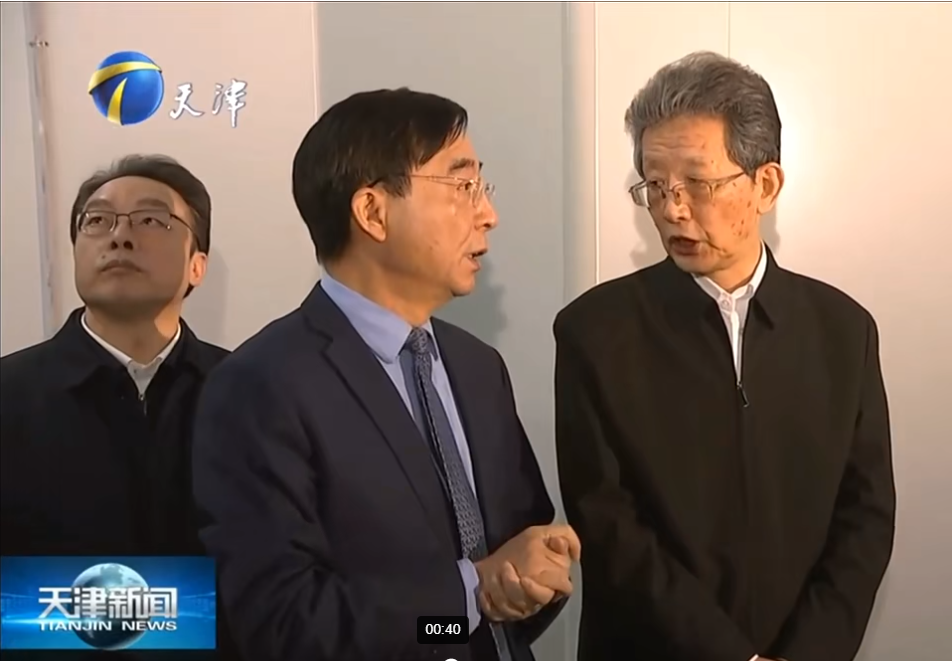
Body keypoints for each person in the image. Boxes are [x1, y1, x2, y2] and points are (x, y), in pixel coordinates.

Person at [191, 88, 578, 661]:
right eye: (462, 187)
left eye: (482, 189)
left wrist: (530, 576)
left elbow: (510, 576)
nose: (488, 215)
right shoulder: (260, 386)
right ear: (373, 212)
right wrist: (468, 597)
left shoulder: (477, 368)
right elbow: (284, 625)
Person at [553, 52, 897, 661]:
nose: (672, 209)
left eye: (697, 183)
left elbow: (864, 519)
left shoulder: (843, 332)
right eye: (655, 185)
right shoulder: (595, 333)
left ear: (765, 185)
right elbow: (608, 525)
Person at [0, 154, 229, 557]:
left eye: (150, 220)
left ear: (197, 265)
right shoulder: (9, 393)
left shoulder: (249, 391)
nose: (120, 236)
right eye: (97, 221)